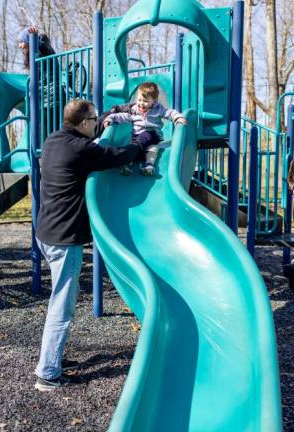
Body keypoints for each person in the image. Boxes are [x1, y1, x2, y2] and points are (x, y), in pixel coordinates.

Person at [34, 99, 143, 391]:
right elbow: (117, 155)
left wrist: (112, 113)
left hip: (44, 232)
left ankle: (52, 357)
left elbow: (93, 137)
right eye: (94, 119)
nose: (97, 122)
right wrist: (141, 143)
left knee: (59, 298)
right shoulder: (81, 149)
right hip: (64, 239)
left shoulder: (55, 139)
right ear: (83, 124)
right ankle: (47, 374)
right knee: (62, 305)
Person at [102, 82, 187, 176]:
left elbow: (169, 113)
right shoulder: (134, 110)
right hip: (137, 138)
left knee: (147, 145)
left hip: (153, 134)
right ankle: (136, 164)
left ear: (154, 101)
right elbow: (123, 116)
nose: (141, 103)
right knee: (144, 150)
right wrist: (110, 118)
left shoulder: (158, 109)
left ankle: (137, 162)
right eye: (139, 100)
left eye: (145, 101)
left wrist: (178, 117)